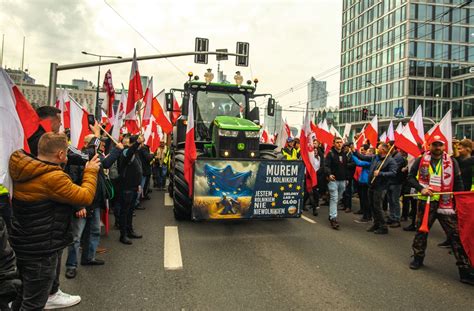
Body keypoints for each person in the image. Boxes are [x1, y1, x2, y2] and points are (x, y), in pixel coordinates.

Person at [9, 132, 100, 310]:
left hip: (23, 242)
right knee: (34, 303)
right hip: (42, 247)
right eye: (66, 152)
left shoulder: (24, 166)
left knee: (22, 295)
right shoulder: (53, 177)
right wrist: (90, 172)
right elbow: (84, 196)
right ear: (60, 155)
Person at [406, 136, 474, 285]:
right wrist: (421, 189)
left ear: (444, 147)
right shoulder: (421, 159)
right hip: (426, 203)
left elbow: (458, 182)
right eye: (435, 145)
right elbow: (410, 178)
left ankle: (465, 270)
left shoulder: (452, 162)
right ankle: (418, 258)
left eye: (440, 145)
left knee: (456, 235)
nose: (437, 148)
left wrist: (459, 202)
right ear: (430, 146)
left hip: (446, 205)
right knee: (421, 232)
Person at [65, 134, 123, 279]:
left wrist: (117, 150)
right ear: (87, 144)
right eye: (96, 144)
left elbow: (107, 163)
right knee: (76, 237)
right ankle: (71, 266)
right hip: (83, 204)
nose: (99, 147)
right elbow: (73, 185)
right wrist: (79, 206)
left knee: (94, 231)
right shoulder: (77, 160)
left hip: (95, 203)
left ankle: (88, 258)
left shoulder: (95, 158)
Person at [353, 143, 397, 234]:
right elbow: (364, 157)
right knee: (372, 205)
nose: (377, 149)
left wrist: (380, 173)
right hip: (371, 185)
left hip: (380, 187)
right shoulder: (375, 157)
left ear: (383, 150)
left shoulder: (390, 161)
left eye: (379, 148)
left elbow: (393, 173)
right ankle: (376, 223)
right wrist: (354, 151)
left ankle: (383, 226)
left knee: (377, 206)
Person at [118, 135, 144, 245]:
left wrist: (138, 184)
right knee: (125, 212)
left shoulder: (135, 153)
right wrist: (137, 143)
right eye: (139, 143)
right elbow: (129, 155)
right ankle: (123, 235)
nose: (141, 144)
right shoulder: (125, 152)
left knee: (130, 211)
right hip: (126, 188)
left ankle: (130, 230)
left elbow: (136, 169)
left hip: (133, 187)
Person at [324, 137, 347, 229]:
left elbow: (346, 167)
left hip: (343, 180)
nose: (339, 144)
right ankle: (333, 218)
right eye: (337, 142)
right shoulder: (330, 154)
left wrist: (347, 178)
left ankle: (331, 214)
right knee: (334, 198)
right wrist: (329, 174)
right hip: (333, 180)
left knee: (338, 198)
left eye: (340, 142)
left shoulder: (344, 154)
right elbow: (326, 166)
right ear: (334, 144)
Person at [386, 142, 408, 228]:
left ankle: (396, 219)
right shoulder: (391, 156)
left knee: (395, 201)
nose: (387, 148)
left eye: (388, 146)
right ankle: (392, 217)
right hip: (390, 182)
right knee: (390, 200)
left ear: (393, 147)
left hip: (396, 182)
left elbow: (393, 168)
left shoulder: (398, 157)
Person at [351, 145, 372, 223]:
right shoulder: (370, 160)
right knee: (364, 199)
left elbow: (358, 163)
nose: (366, 152)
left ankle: (366, 217)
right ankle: (367, 215)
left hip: (366, 182)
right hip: (363, 181)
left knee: (366, 200)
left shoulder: (370, 161)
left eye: (368, 151)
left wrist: (352, 154)